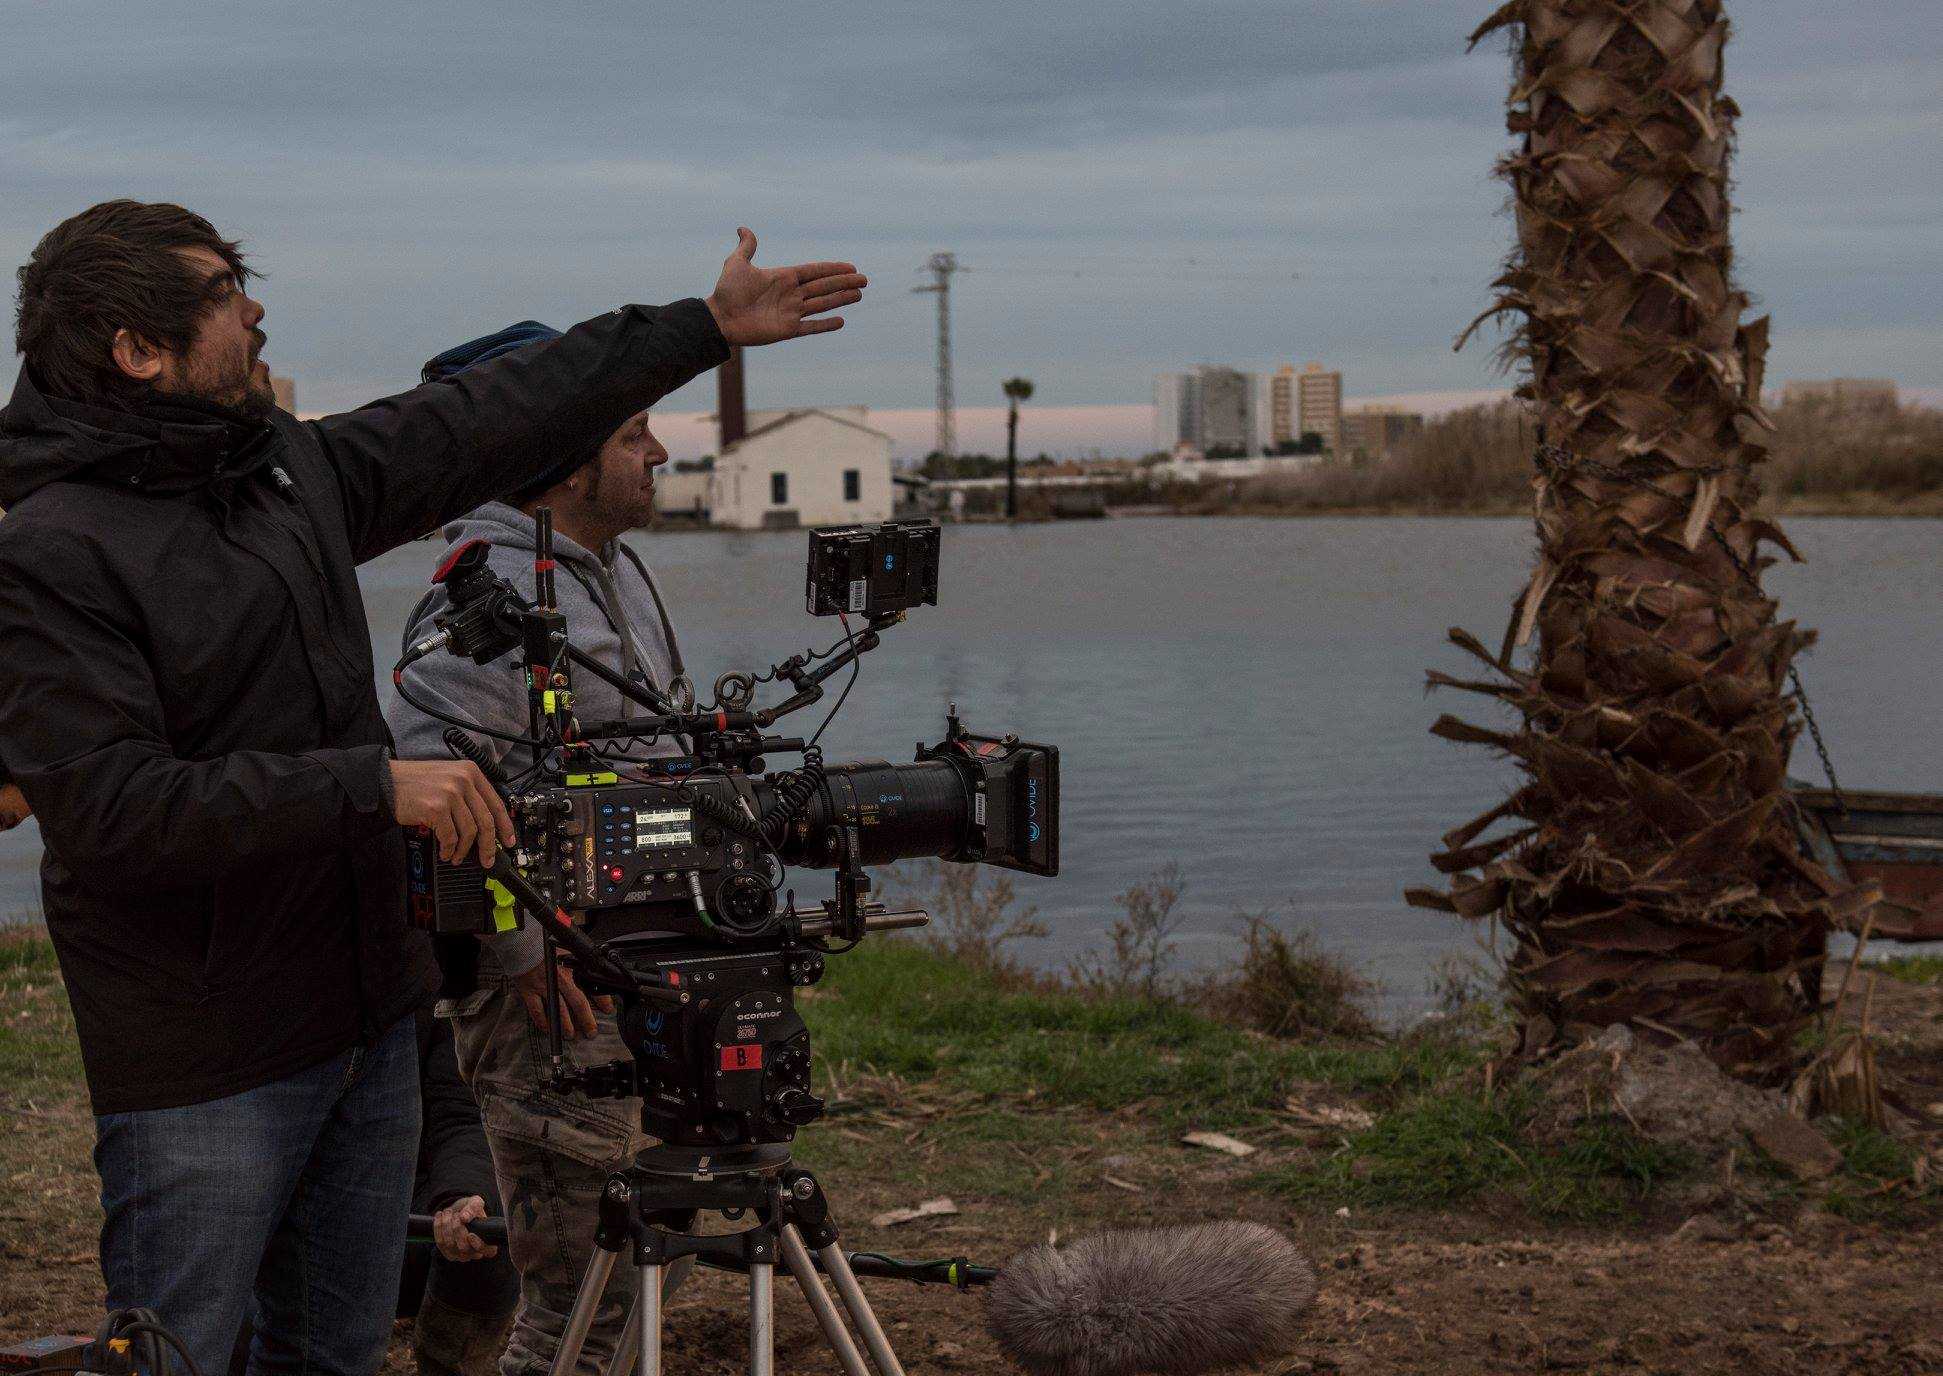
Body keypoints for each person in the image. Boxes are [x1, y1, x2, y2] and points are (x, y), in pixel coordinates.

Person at [0, 198, 865, 1376]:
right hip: (205, 1056)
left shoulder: (284, 473)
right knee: (178, 1351)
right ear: (137, 350)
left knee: (333, 1351)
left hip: (368, 1019)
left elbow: (474, 417)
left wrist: (698, 328)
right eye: (219, 294)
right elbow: (110, 809)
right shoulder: (49, 546)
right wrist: (373, 785)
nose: (253, 311)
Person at [384, 337, 690, 1376]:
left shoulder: (608, 569)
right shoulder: (490, 592)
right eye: (632, 431)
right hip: (551, 994)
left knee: (668, 1242)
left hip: (639, 958)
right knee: (580, 1300)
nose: (659, 450)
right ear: (564, 459)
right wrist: (524, 942)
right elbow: (429, 785)